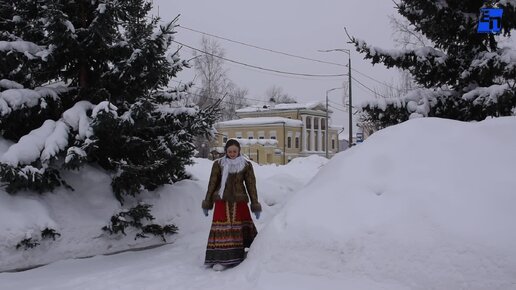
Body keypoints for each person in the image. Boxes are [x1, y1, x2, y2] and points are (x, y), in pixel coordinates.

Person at [201, 138, 262, 271]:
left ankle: (241, 255)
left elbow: (251, 185)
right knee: (222, 228)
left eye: (235, 151)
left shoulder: (246, 165)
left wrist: (255, 203)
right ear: (226, 151)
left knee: (239, 227)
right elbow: (212, 184)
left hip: (239, 202)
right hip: (222, 201)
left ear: (239, 151)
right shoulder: (219, 164)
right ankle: (221, 258)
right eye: (230, 151)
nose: (232, 153)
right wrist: (208, 202)